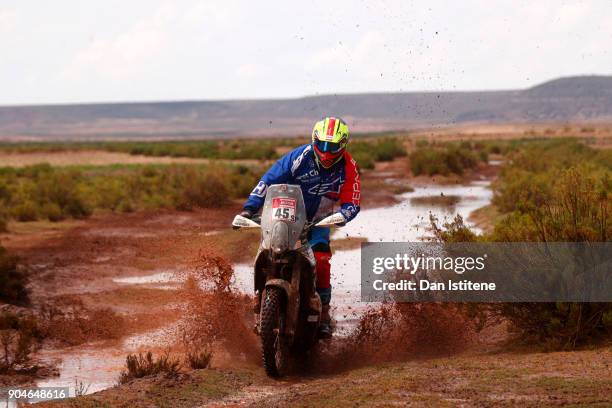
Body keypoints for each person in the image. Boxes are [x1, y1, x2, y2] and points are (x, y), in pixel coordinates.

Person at [239, 116, 361, 338]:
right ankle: (259, 296)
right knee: (268, 252)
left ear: (342, 145)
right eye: (321, 144)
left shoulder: (348, 167)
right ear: (314, 140)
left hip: (317, 221)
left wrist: (344, 215)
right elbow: (268, 180)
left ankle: (323, 312)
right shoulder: (299, 157)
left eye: (331, 146)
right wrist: (249, 208)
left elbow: (352, 201)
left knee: (322, 260)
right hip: (285, 215)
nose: (325, 150)